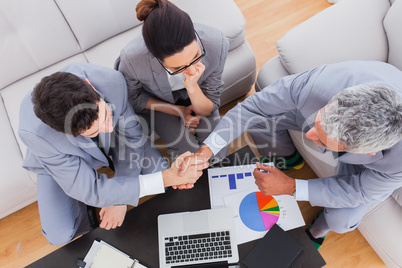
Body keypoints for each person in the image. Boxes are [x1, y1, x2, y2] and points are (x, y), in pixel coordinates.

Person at [181, 60, 402, 248]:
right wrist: (207, 149)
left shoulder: (398, 163)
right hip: (345, 119)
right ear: (335, 99)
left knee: (340, 220)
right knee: (263, 119)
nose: (310, 135)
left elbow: (359, 191)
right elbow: (253, 108)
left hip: (376, 170)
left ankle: (318, 231)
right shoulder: (322, 84)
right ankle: (288, 157)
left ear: (366, 151)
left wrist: (291, 188)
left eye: (322, 140)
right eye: (319, 121)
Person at [18, 63, 208, 245]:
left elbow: (133, 138)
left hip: (120, 142)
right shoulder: (38, 135)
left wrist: (120, 198)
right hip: (59, 160)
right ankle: (86, 213)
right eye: (95, 131)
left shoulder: (112, 82)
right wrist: (107, 195)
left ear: (89, 86)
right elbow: (90, 190)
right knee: (59, 234)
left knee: (157, 169)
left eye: (107, 115)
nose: (108, 128)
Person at [115, 0, 230, 161]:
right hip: (159, 102)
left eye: (196, 56)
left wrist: (192, 87)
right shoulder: (133, 61)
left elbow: (208, 107)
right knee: (186, 154)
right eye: (177, 68)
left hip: (198, 94)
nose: (191, 71)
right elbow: (134, 98)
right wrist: (178, 110)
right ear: (157, 59)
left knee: (218, 151)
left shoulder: (217, 43)